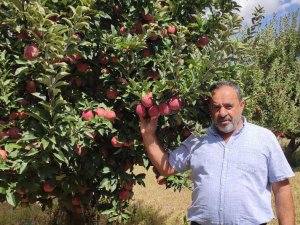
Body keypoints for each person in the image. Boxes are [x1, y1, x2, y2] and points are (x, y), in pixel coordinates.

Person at [139, 80, 295, 225]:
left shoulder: (264, 138)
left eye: (228, 106)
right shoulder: (197, 139)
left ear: (242, 105)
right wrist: (148, 135)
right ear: (210, 109)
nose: (222, 113)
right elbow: (166, 168)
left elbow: (281, 188)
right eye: (216, 107)